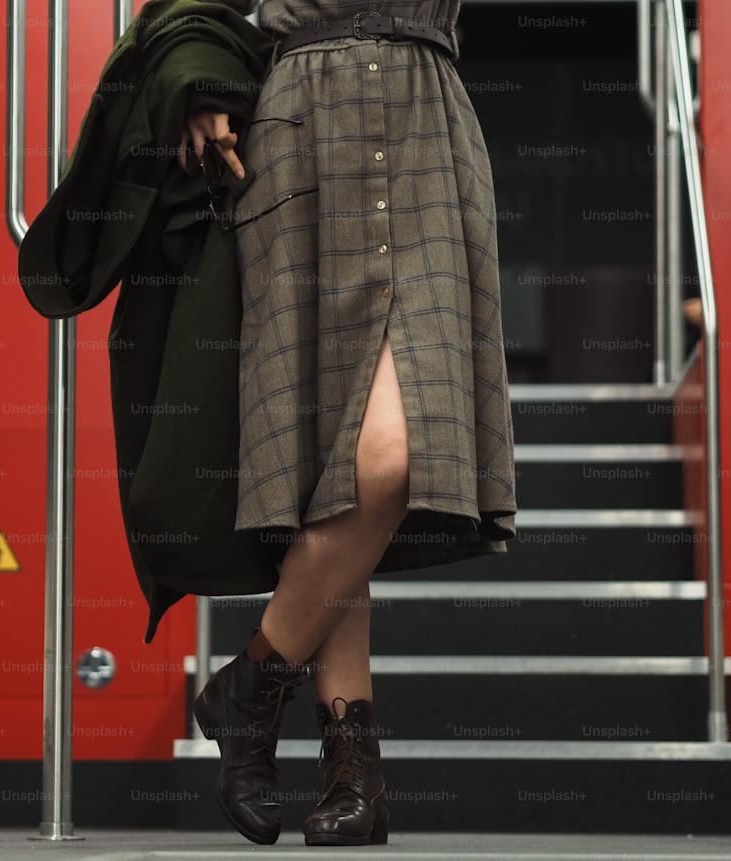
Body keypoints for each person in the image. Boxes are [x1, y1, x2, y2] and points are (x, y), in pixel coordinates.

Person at [178, 0, 517, 847]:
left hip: (426, 122)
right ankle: (353, 765)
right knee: (344, 476)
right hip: (301, 123)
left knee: (388, 465)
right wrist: (196, 89)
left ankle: (250, 686)